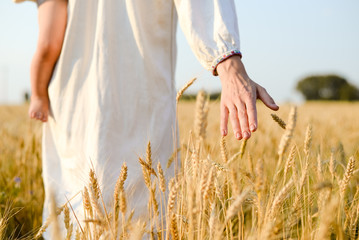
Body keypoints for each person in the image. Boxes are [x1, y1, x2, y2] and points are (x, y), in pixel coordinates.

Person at [20, 0, 279, 237]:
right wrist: (229, 65)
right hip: (144, 100)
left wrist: (39, 94)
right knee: (147, 217)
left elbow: (48, 45)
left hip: (74, 108)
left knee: (76, 214)